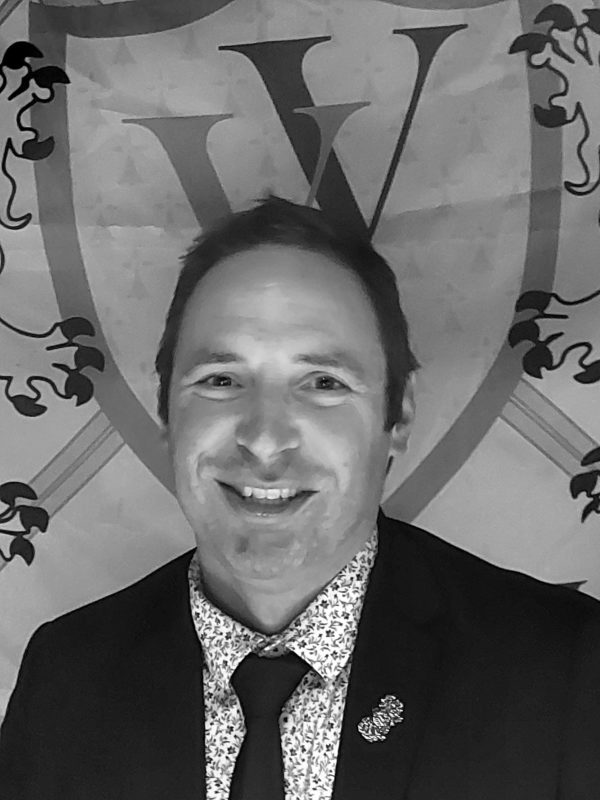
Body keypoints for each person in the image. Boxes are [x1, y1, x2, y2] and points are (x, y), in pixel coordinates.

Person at [0, 196, 599, 800]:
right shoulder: (65, 677)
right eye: (220, 380)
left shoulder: (566, 669)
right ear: (166, 411)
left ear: (397, 414)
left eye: (323, 383)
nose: (265, 440)